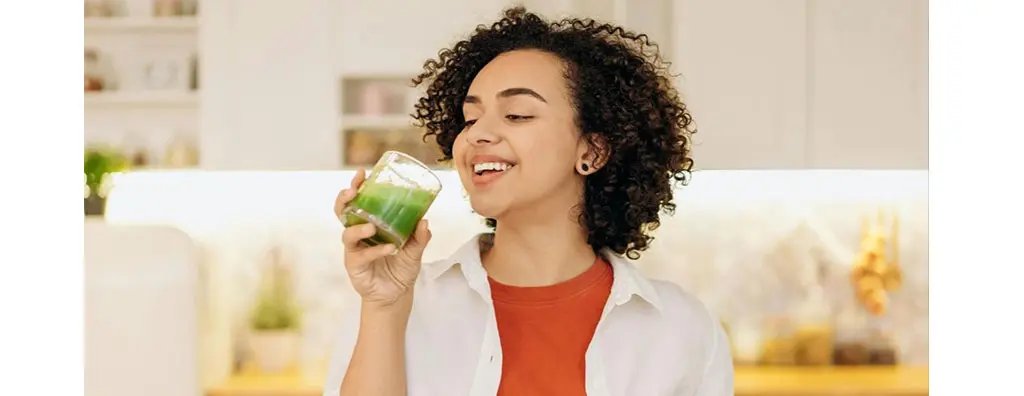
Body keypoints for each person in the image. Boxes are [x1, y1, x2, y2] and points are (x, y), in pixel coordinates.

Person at [325, 7, 733, 396]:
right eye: (470, 119)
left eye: (517, 114)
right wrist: (384, 308)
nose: (477, 135)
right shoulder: (400, 302)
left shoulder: (681, 327)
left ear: (592, 150)